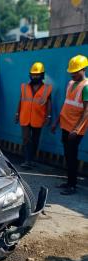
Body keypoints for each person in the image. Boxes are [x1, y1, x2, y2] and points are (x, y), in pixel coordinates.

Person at [52, 55, 88, 195]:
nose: (73, 74)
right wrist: (56, 121)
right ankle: (68, 182)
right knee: (67, 155)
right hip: (65, 124)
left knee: (72, 156)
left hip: (75, 129)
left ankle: (72, 185)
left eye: (75, 71)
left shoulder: (86, 87)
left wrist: (77, 129)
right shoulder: (70, 84)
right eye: (71, 72)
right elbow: (66, 104)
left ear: (83, 69)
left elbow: (86, 111)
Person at [15, 62, 52, 169]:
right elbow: (20, 101)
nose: (35, 76)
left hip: (38, 118)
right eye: (33, 74)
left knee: (35, 140)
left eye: (37, 74)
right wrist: (17, 113)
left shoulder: (47, 88)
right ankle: (27, 160)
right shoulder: (24, 86)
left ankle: (31, 160)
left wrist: (48, 116)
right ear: (30, 75)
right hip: (24, 116)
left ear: (42, 75)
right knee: (26, 138)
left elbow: (49, 103)